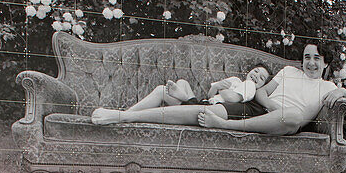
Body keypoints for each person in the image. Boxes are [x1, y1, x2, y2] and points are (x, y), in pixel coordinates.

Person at [90, 43, 346, 134]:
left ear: (326, 63)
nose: (311, 62)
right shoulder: (289, 71)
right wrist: (271, 105)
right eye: (307, 57)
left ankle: (222, 125)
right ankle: (123, 116)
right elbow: (261, 92)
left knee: (292, 117)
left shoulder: (329, 87)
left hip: (284, 123)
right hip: (257, 108)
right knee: (197, 111)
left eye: (317, 58)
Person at [91, 66, 270, 125]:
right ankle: (125, 114)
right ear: (249, 70)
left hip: (211, 108)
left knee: (165, 90)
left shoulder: (249, 87)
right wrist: (219, 87)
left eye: (261, 78)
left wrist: (222, 89)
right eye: (255, 71)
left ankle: (123, 116)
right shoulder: (236, 80)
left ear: (262, 85)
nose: (256, 76)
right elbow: (210, 92)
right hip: (207, 102)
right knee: (175, 85)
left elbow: (232, 98)